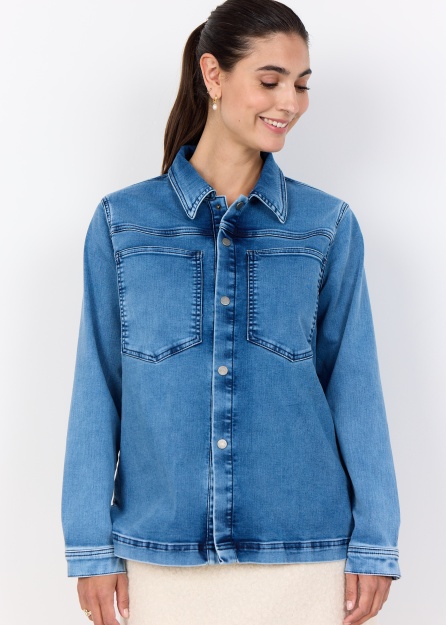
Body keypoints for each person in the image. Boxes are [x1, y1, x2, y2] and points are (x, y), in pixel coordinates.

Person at [61, 1, 401, 624]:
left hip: (303, 555)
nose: (289, 103)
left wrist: (376, 541)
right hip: (161, 558)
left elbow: (355, 387)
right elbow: (98, 386)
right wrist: (90, 546)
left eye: (301, 85)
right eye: (270, 81)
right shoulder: (122, 222)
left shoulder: (326, 225)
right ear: (213, 75)